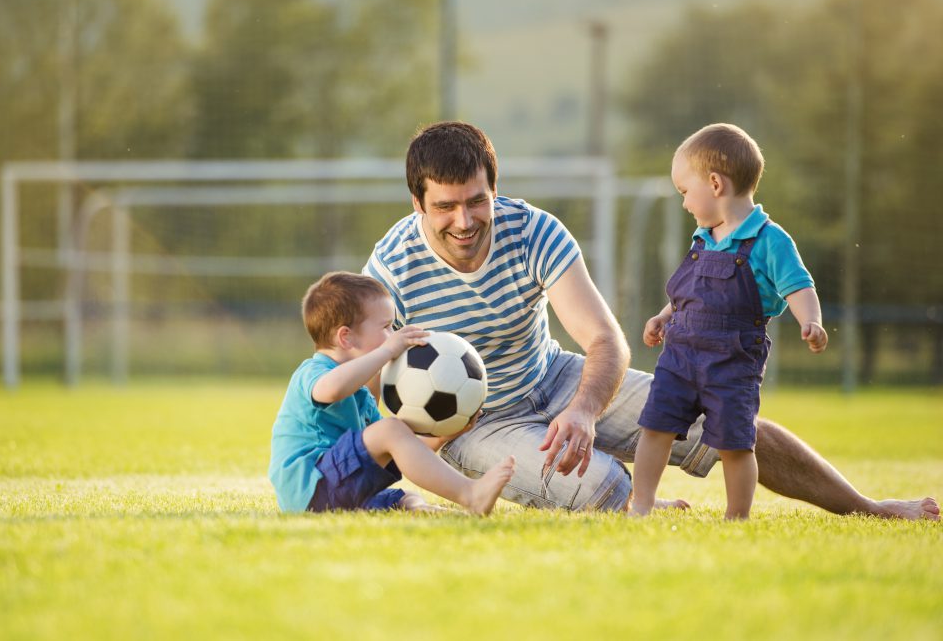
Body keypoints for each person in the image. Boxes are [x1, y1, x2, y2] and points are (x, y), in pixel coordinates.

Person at [362, 120, 939, 520]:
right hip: (478, 426)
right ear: (418, 203)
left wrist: (584, 411)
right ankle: (633, 497)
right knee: (602, 487)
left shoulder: (534, 231)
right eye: (444, 206)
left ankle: (869, 507)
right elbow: (366, 375)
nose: (464, 220)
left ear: (495, 190)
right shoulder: (389, 269)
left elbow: (604, 340)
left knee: (729, 424)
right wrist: (419, 439)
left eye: (477, 201)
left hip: (554, 379)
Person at [629, 123, 827, 520]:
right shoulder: (703, 237)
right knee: (655, 427)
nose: (685, 204)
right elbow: (690, 292)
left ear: (715, 184)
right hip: (680, 355)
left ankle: (737, 516)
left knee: (736, 443)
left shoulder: (771, 240)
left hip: (732, 362)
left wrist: (812, 320)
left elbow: (798, 285)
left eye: (685, 192)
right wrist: (664, 316)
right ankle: (642, 504)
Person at [268, 271, 515, 515]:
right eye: (386, 327)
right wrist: (386, 352)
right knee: (390, 428)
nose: (392, 335)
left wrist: (443, 436)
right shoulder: (314, 371)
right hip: (312, 487)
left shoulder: (361, 395)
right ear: (346, 337)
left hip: (339, 487)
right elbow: (331, 390)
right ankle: (470, 495)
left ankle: (426, 510)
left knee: (405, 497)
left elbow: (395, 452)